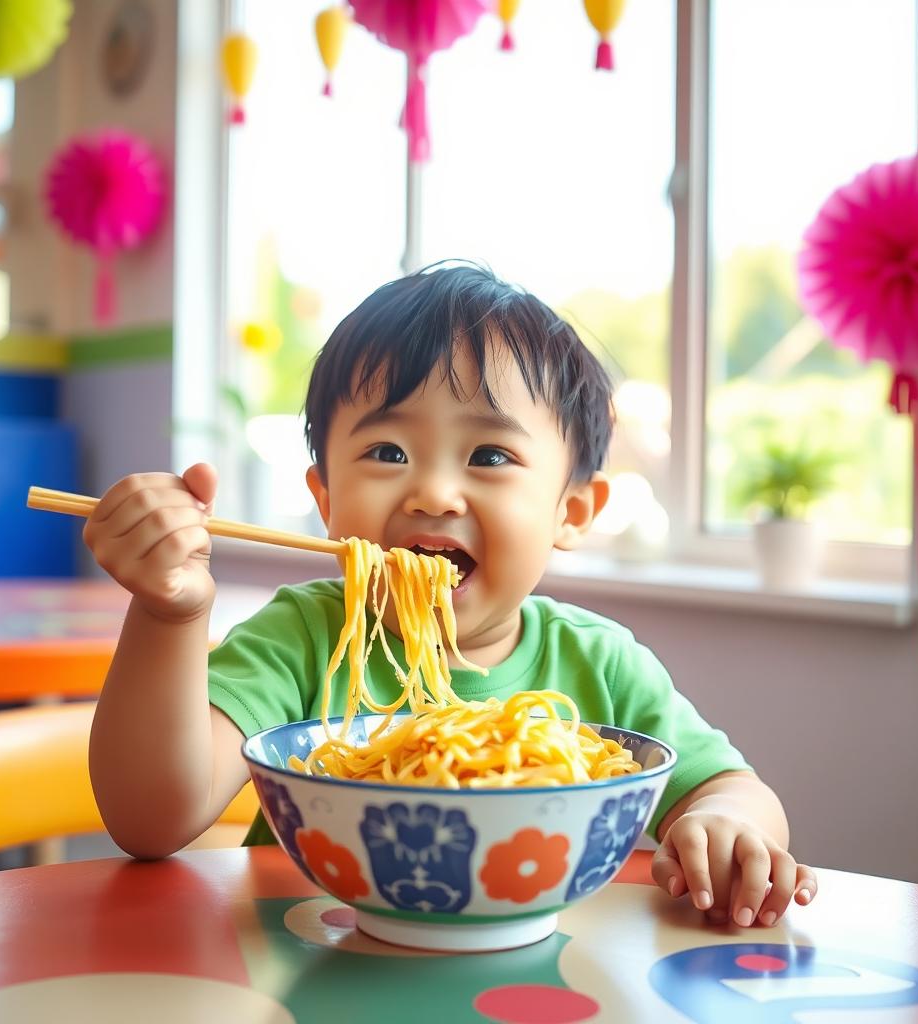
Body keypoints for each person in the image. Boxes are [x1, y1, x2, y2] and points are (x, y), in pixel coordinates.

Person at [85, 262, 817, 929]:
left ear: (572, 512)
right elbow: (150, 818)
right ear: (327, 498)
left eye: (490, 455)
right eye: (387, 453)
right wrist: (167, 614)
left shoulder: (599, 665)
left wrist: (725, 823)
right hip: (317, 964)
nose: (434, 494)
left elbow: (733, 790)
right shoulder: (300, 639)